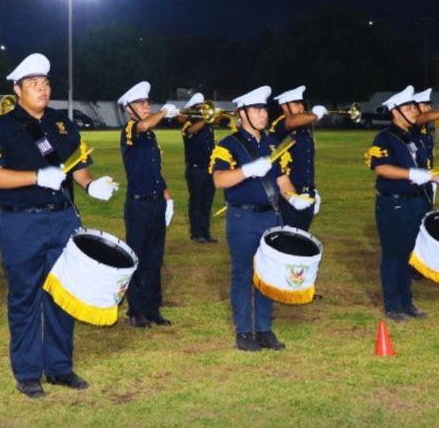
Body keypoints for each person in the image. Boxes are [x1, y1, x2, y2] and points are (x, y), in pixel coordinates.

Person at [0, 53, 120, 398]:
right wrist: (37, 176)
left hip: (61, 220)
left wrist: (91, 185)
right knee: (25, 297)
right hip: (20, 224)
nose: (42, 89)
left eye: (45, 83)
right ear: (17, 89)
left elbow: (78, 166)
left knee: (62, 295)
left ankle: (59, 368)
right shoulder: (2, 127)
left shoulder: (62, 123)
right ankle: (28, 372)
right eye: (33, 84)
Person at [210, 86, 309, 351]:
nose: (263, 114)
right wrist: (248, 170)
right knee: (243, 274)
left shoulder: (273, 144)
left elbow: (282, 178)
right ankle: (244, 331)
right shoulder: (228, 145)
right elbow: (219, 180)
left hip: (271, 216)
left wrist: (293, 197)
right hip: (243, 218)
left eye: (264, 109)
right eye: (257, 109)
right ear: (242, 113)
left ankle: (264, 329)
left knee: (268, 274)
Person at [367, 86, 439, 322]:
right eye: (408, 107)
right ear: (396, 112)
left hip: (416, 202)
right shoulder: (385, 137)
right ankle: (393, 305)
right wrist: (411, 174)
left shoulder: (414, 137)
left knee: (410, 254)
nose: (414, 111)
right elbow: (380, 167)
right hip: (394, 204)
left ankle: (407, 302)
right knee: (393, 254)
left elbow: (424, 171)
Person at [117, 81, 178, 327]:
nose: (146, 106)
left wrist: (168, 197)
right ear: (128, 109)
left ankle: (153, 308)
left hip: (155, 203)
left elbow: (157, 170)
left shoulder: (151, 136)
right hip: (139, 205)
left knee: (155, 257)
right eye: (140, 103)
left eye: (147, 102)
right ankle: (136, 310)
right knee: (137, 257)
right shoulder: (131, 129)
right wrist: (163, 112)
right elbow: (143, 124)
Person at [268, 86, 326, 231]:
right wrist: (315, 115)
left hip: (306, 191)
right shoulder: (280, 124)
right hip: (287, 192)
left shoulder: (305, 129)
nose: (300, 107)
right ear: (284, 107)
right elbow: (292, 122)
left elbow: (306, 162)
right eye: (295, 104)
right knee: (286, 238)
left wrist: (312, 189)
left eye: (301, 103)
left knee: (301, 237)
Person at [180, 93, 220, 243]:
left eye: (204, 107)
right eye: (200, 107)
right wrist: (206, 119)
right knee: (196, 201)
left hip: (209, 168)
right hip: (195, 169)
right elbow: (190, 131)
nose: (203, 109)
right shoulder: (188, 123)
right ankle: (196, 234)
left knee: (207, 202)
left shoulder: (208, 126)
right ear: (193, 108)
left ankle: (205, 232)